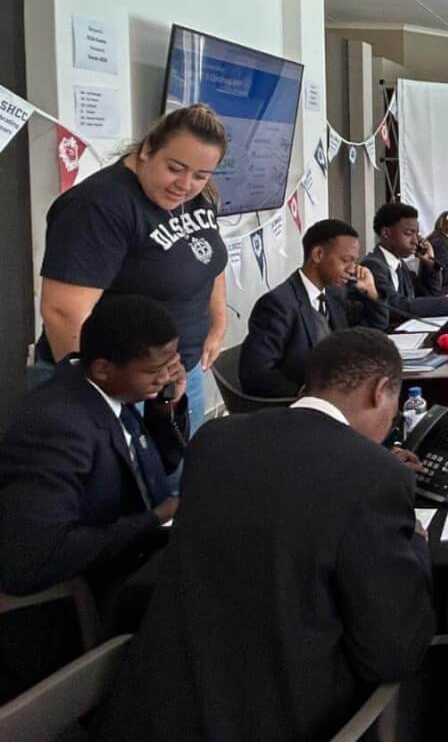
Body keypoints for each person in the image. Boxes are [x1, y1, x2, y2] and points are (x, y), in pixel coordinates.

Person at [97, 329, 436, 742]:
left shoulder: (214, 439)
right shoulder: (376, 475)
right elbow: (393, 650)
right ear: (380, 390)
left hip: (158, 709)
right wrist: (415, 543)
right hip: (280, 718)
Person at [0, 296, 186, 699]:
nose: (167, 375)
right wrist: (153, 519)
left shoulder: (111, 391)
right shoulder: (56, 426)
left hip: (130, 555)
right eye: (155, 369)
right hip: (82, 595)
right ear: (103, 368)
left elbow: (160, 464)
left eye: (172, 363)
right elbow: (33, 558)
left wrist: (164, 407)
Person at [36, 104, 228, 439]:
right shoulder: (99, 205)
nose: (185, 184)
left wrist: (217, 324)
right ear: (147, 149)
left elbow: (210, 260)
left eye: (200, 175)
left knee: (181, 469)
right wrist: (99, 398)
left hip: (179, 374)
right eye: (174, 168)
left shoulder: (198, 197)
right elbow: (63, 312)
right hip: (119, 385)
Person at [238, 219, 389, 398]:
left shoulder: (334, 295)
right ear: (318, 254)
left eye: (354, 262)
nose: (352, 269)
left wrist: (371, 293)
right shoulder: (277, 305)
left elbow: (375, 328)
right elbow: (255, 374)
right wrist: (307, 395)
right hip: (300, 403)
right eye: (345, 260)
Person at [362, 202, 448, 319]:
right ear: (386, 233)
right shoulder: (373, 265)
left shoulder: (400, 264)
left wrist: (430, 264)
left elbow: (429, 294)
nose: (415, 241)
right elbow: (396, 305)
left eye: (417, 234)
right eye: (408, 233)